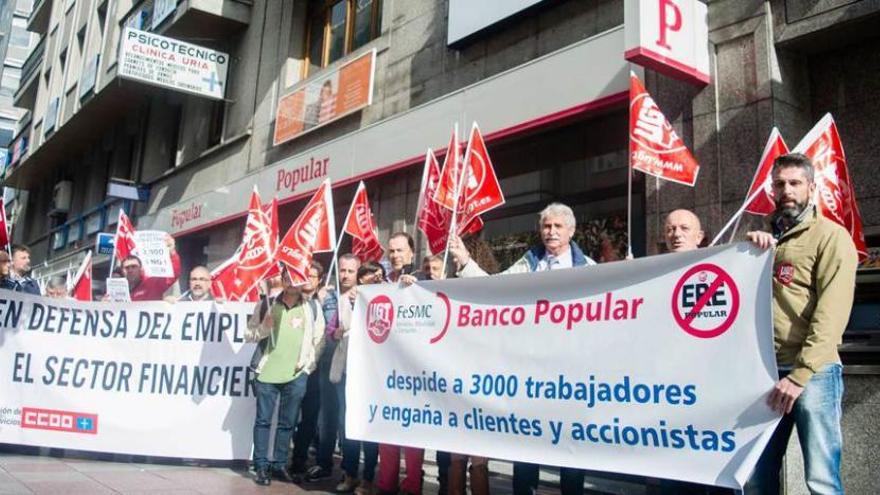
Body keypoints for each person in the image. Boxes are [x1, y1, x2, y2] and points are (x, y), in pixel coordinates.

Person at [449, 202, 595, 495]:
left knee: (570, 450)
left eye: (557, 226)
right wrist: (465, 262)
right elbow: (495, 289)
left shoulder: (590, 269)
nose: (551, 232)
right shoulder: (529, 263)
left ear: (571, 231)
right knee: (526, 447)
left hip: (569, 375)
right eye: (546, 226)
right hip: (531, 374)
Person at [745, 153, 856, 495]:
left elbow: (832, 314)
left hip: (813, 375)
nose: (787, 191)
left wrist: (799, 374)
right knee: (756, 477)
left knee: (821, 480)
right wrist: (749, 252)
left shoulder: (831, 237)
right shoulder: (762, 237)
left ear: (811, 187)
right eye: (780, 184)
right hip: (764, 373)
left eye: (795, 183)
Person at [246, 267, 326, 486]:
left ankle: (279, 464)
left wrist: (308, 367)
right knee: (263, 421)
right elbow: (249, 335)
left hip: (296, 374)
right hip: (267, 373)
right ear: (282, 280)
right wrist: (263, 328)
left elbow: (319, 340)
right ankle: (261, 465)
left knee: (287, 422)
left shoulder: (312, 306)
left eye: (296, 277)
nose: (291, 282)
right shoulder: (267, 305)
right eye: (287, 277)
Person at [311, 254, 361, 490]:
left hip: (351, 367)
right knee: (326, 417)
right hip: (327, 364)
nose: (346, 275)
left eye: (351, 271)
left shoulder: (362, 296)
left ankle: (349, 471)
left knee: (345, 420)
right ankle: (323, 463)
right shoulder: (328, 296)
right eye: (343, 270)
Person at [335, 261, 384, 495]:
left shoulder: (385, 298)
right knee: (349, 426)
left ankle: (369, 477)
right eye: (364, 275)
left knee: (370, 427)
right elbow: (341, 327)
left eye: (374, 276)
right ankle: (350, 473)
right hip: (349, 371)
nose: (368, 279)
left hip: (373, 374)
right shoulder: (345, 299)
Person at [293, 262, 329, 478]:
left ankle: (299, 459)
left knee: (309, 418)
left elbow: (321, 340)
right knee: (288, 418)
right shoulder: (289, 300)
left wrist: (310, 365)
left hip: (313, 372)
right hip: (289, 370)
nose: (308, 279)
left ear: (319, 280)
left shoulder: (323, 303)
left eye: (313, 276)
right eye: (305, 274)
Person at [120, 235, 182, 301]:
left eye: (134, 266)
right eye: (127, 267)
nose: (130, 270)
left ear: (141, 269)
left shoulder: (152, 283)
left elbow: (172, 274)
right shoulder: (117, 287)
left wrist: (172, 253)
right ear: (122, 270)